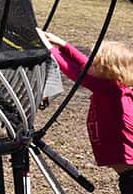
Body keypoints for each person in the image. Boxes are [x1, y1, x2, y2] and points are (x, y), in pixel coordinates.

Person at [39, 28, 133, 193]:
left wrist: (51, 49)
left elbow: (77, 74)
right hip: (127, 175)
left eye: (95, 63)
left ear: (109, 71)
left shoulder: (113, 91)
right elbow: (84, 66)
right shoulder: (109, 86)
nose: (89, 63)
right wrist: (63, 44)